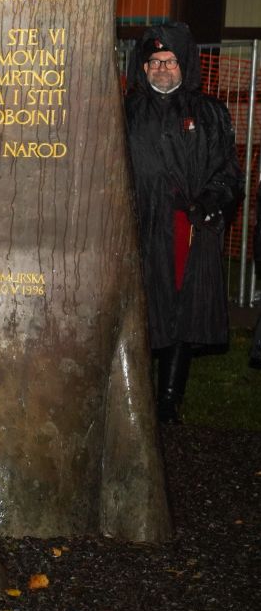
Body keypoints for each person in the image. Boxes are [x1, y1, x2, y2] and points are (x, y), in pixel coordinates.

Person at [124, 23, 239, 424]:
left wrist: (209, 204)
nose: (162, 69)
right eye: (154, 62)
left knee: (181, 311)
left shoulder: (209, 114)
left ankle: (169, 402)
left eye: (170, 61)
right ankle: (135, 400)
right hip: (139, 228)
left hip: (185, 228)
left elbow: (227, 172)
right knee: (142, 309)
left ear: (184, 65)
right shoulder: (125, 113)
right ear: (143, 68)